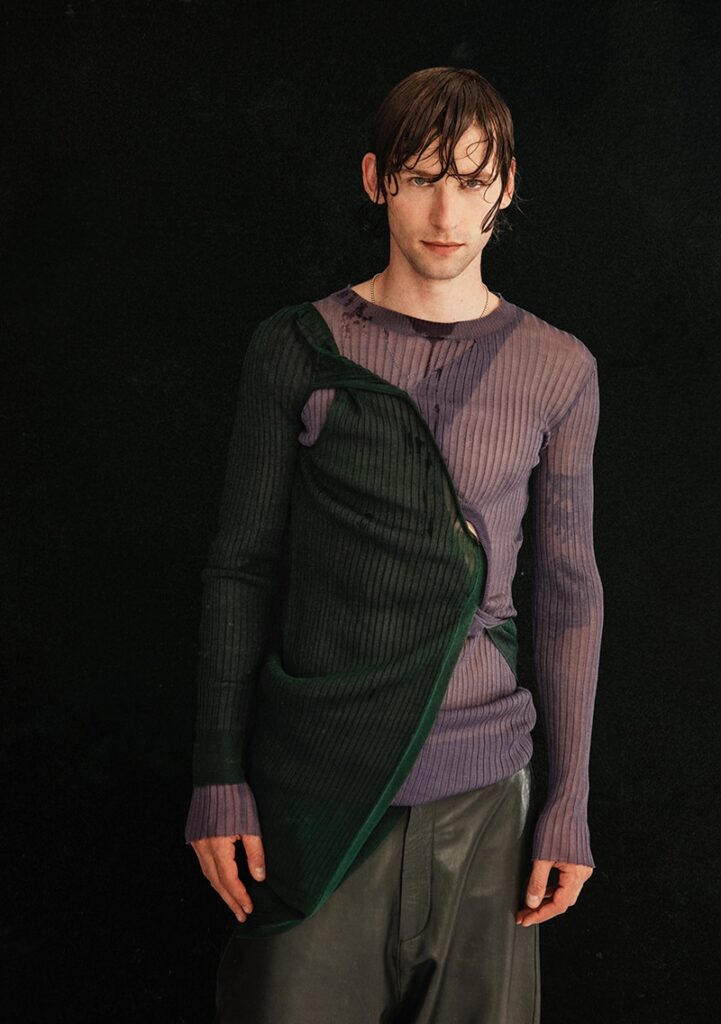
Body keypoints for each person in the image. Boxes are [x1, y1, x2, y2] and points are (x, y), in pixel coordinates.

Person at [184, 66, 603, 1023]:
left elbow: (568, 592)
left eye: (470, 179)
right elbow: (241, 568)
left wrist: (568, 801)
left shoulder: (557, 367)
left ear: (505, 187)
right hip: (316, 790)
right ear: (376, 180)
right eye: (420, 178)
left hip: (488, 801)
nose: (445, 212)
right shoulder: (298, 347)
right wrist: (217, 775)